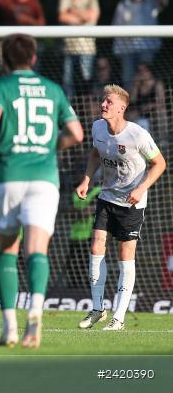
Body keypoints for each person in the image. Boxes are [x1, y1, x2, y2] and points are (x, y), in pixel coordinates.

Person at [0, 34, 83, 349]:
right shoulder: (53, 89)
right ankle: (36, 315)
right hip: (44, 177)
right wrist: (50, 147)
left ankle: (9, 326)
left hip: (8, 175)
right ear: (33, 58)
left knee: (7, 249)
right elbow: (77, 133)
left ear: (5, 59)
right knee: (37, 250)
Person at [74, 85, 166, 331]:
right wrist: (86, 179)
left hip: (132, 202)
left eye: (109, 102)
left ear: (122, 108)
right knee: (96, 246)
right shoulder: (97, 127)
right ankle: (97, 309)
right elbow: (96, 153)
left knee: (125, 256)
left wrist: (141, 188)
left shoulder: (137, 135)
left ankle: (119, 317)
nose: (104, 105)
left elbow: (159, 163)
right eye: (103, 101)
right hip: (107, 196)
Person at [111, 0, 167, 88]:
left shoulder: (152, 2)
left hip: (147, 49)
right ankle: (130, 105)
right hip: (127, 51)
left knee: (147, 83)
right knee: (128, 83)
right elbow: (115, 27)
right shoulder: (123, 4)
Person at [57, 0, 100, 96]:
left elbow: (92, 17)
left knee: (87, 84)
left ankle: (87, 112)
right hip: (68, 49)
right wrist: (83, 17)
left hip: (87, 49)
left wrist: (72, 11)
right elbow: (62, 17)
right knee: (67, 84)